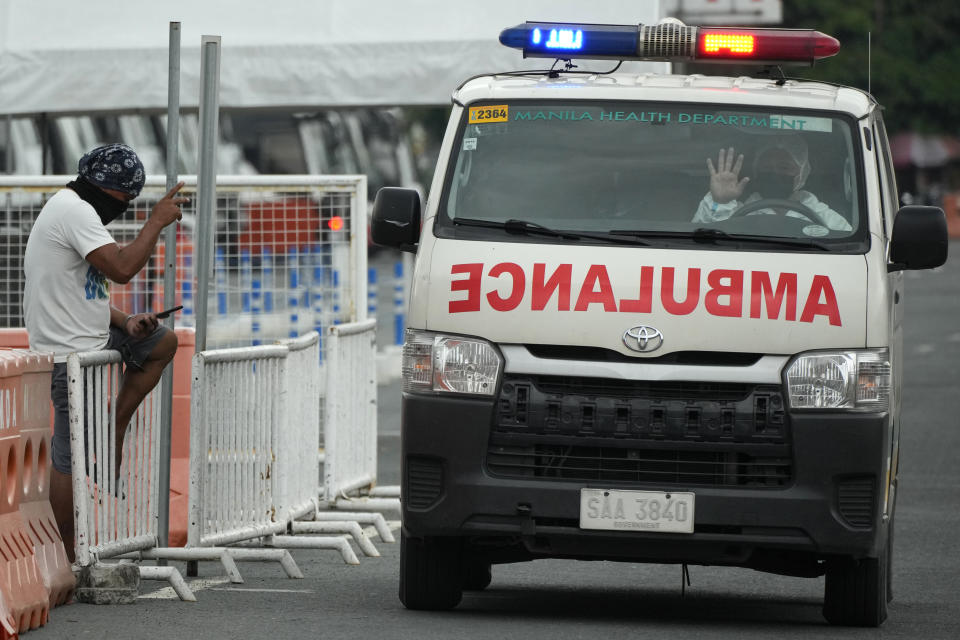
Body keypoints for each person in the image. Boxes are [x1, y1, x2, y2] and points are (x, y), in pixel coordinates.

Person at [23, 143, 188, 562]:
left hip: (92, 338)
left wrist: (125, 322)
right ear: (103, 188)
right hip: (68, 354)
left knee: (159, 341)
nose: (124, 210)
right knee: (71, 455)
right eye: (123, 202)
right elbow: (120, 267)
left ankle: (115, 425)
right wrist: (154, 223)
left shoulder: (78, 209)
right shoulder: (75, 211)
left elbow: (83, 291)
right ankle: (68, 556)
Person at [693, 136, 852, 231]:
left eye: (784, 167)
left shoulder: (822, 216)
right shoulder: (737, 212)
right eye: (767, 167)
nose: (774, 172)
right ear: (757, 170)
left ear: (802, 173)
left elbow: (848, 250)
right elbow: (702, 238)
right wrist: (720, 202)